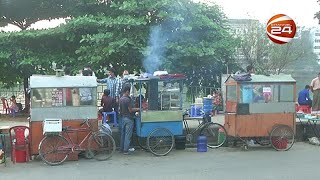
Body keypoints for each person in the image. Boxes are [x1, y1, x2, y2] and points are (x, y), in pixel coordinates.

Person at [119, 86, 140, 155]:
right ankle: (126, 150)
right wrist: (138, 109)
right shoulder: (127, 100)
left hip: (123, 118)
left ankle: (121, 149)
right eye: (129, 92)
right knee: (128, 135)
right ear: (127, 91)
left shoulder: (121, 99)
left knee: (123, 134)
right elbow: (130, 110)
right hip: (129, 118)